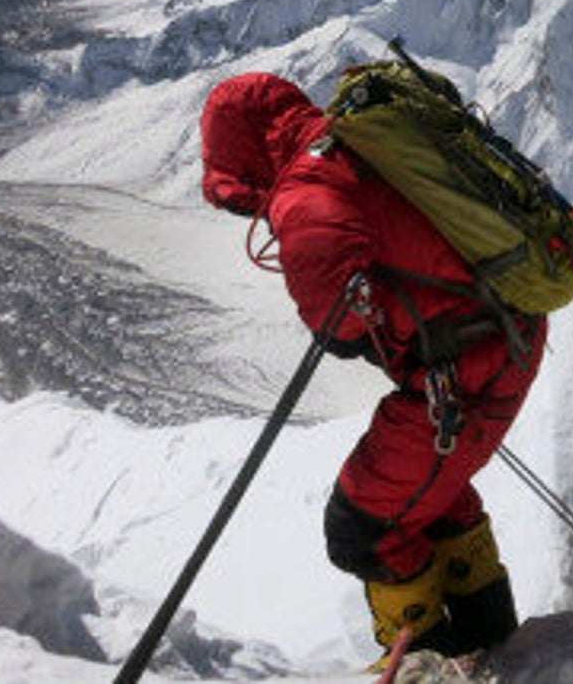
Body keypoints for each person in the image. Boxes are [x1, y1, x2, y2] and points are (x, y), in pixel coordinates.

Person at [198, 71, 544, 662]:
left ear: (246, 151)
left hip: (468, 368)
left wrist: (354, 329)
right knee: (431, 500)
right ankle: (493, 646)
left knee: (364, 527)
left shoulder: (305, 187)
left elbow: (335, 312)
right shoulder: (353, 142)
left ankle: (425, 665)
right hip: (498, 340)